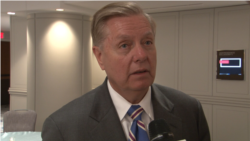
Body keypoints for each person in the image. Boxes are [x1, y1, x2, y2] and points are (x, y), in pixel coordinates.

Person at [42, 2, 210, 141]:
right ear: (100, 57)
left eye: (147, 42)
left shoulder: (189, 110)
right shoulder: (63, 128)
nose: (141, 55)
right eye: (124, 45)